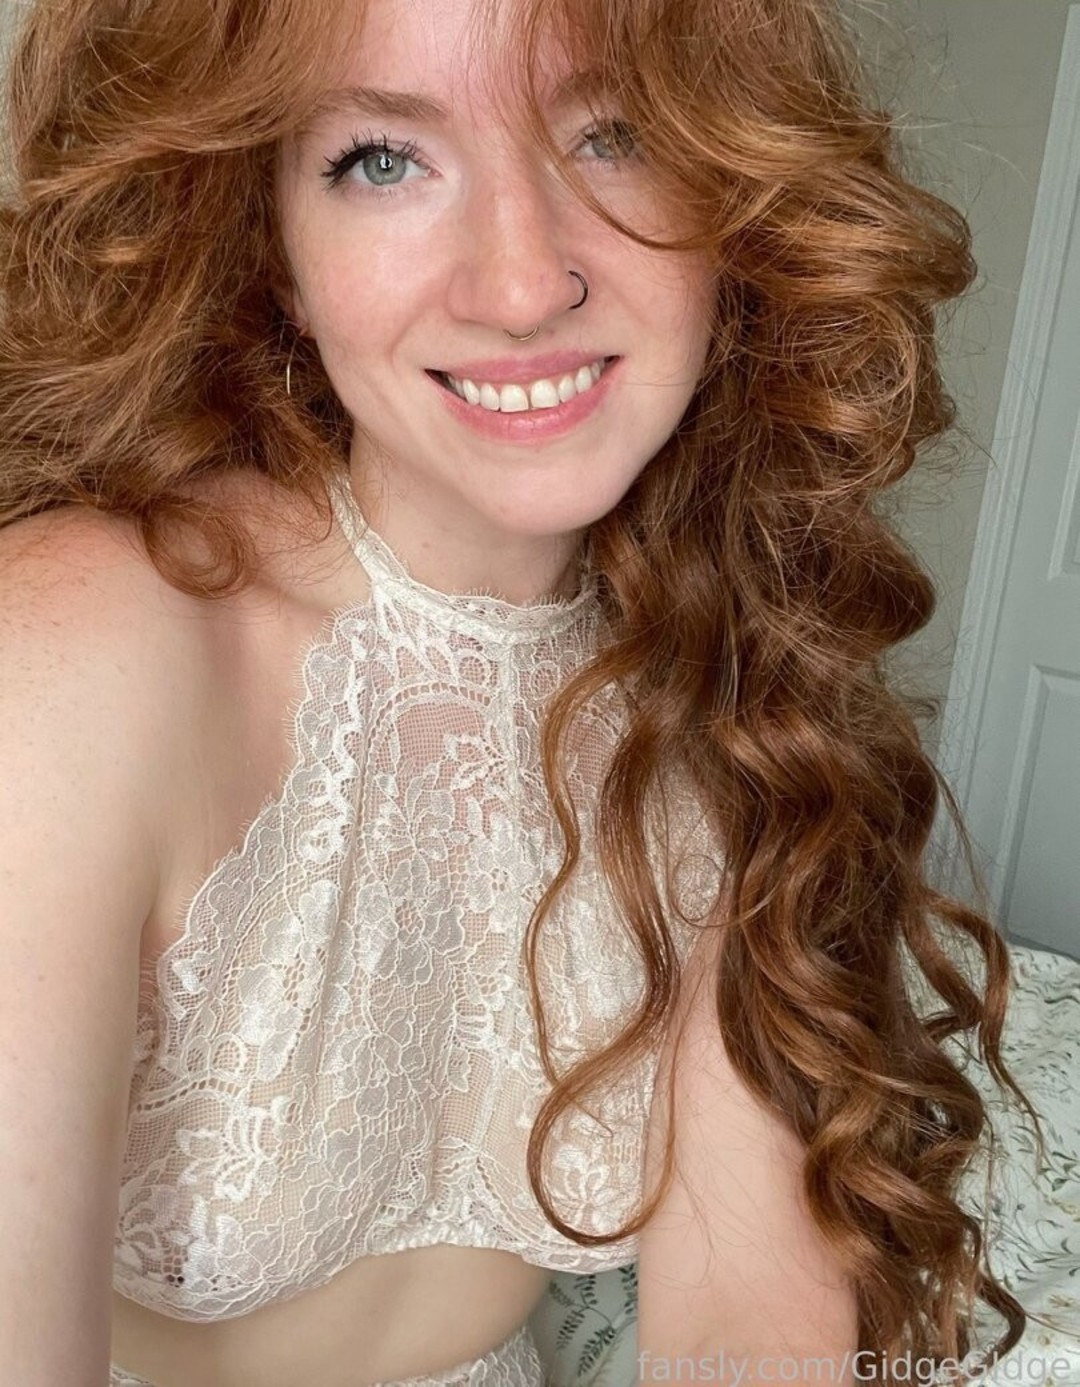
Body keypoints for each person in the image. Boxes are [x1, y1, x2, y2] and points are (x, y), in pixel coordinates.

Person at [0, 0, 1048, 1383]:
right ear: (276, 255)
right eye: (382, 160)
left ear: (735, 193)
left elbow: (749, 1322)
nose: (520, 282)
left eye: (614, 135)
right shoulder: (80, 649)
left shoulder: (724, 696)